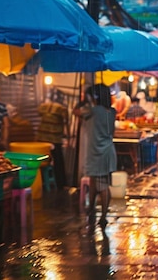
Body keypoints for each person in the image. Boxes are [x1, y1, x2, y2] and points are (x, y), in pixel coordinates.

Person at [74, 84, 117, 232]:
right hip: (107, 152)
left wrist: (82, 99)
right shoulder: (111, 111)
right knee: (97, 182)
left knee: (101, 185)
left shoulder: (92, 111)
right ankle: (92, 209)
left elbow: (76, 111)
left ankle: (102, 216)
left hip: (97, 153)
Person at [37, 88, 69, 189]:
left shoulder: (43, 107)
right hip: (55, 139)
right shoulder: (62, 109)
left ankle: (41, 182)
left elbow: (39, 114)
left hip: (42, 138)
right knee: (58, 161)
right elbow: (66, 122)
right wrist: (67, 135)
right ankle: (61, 183)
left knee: (42, 161)